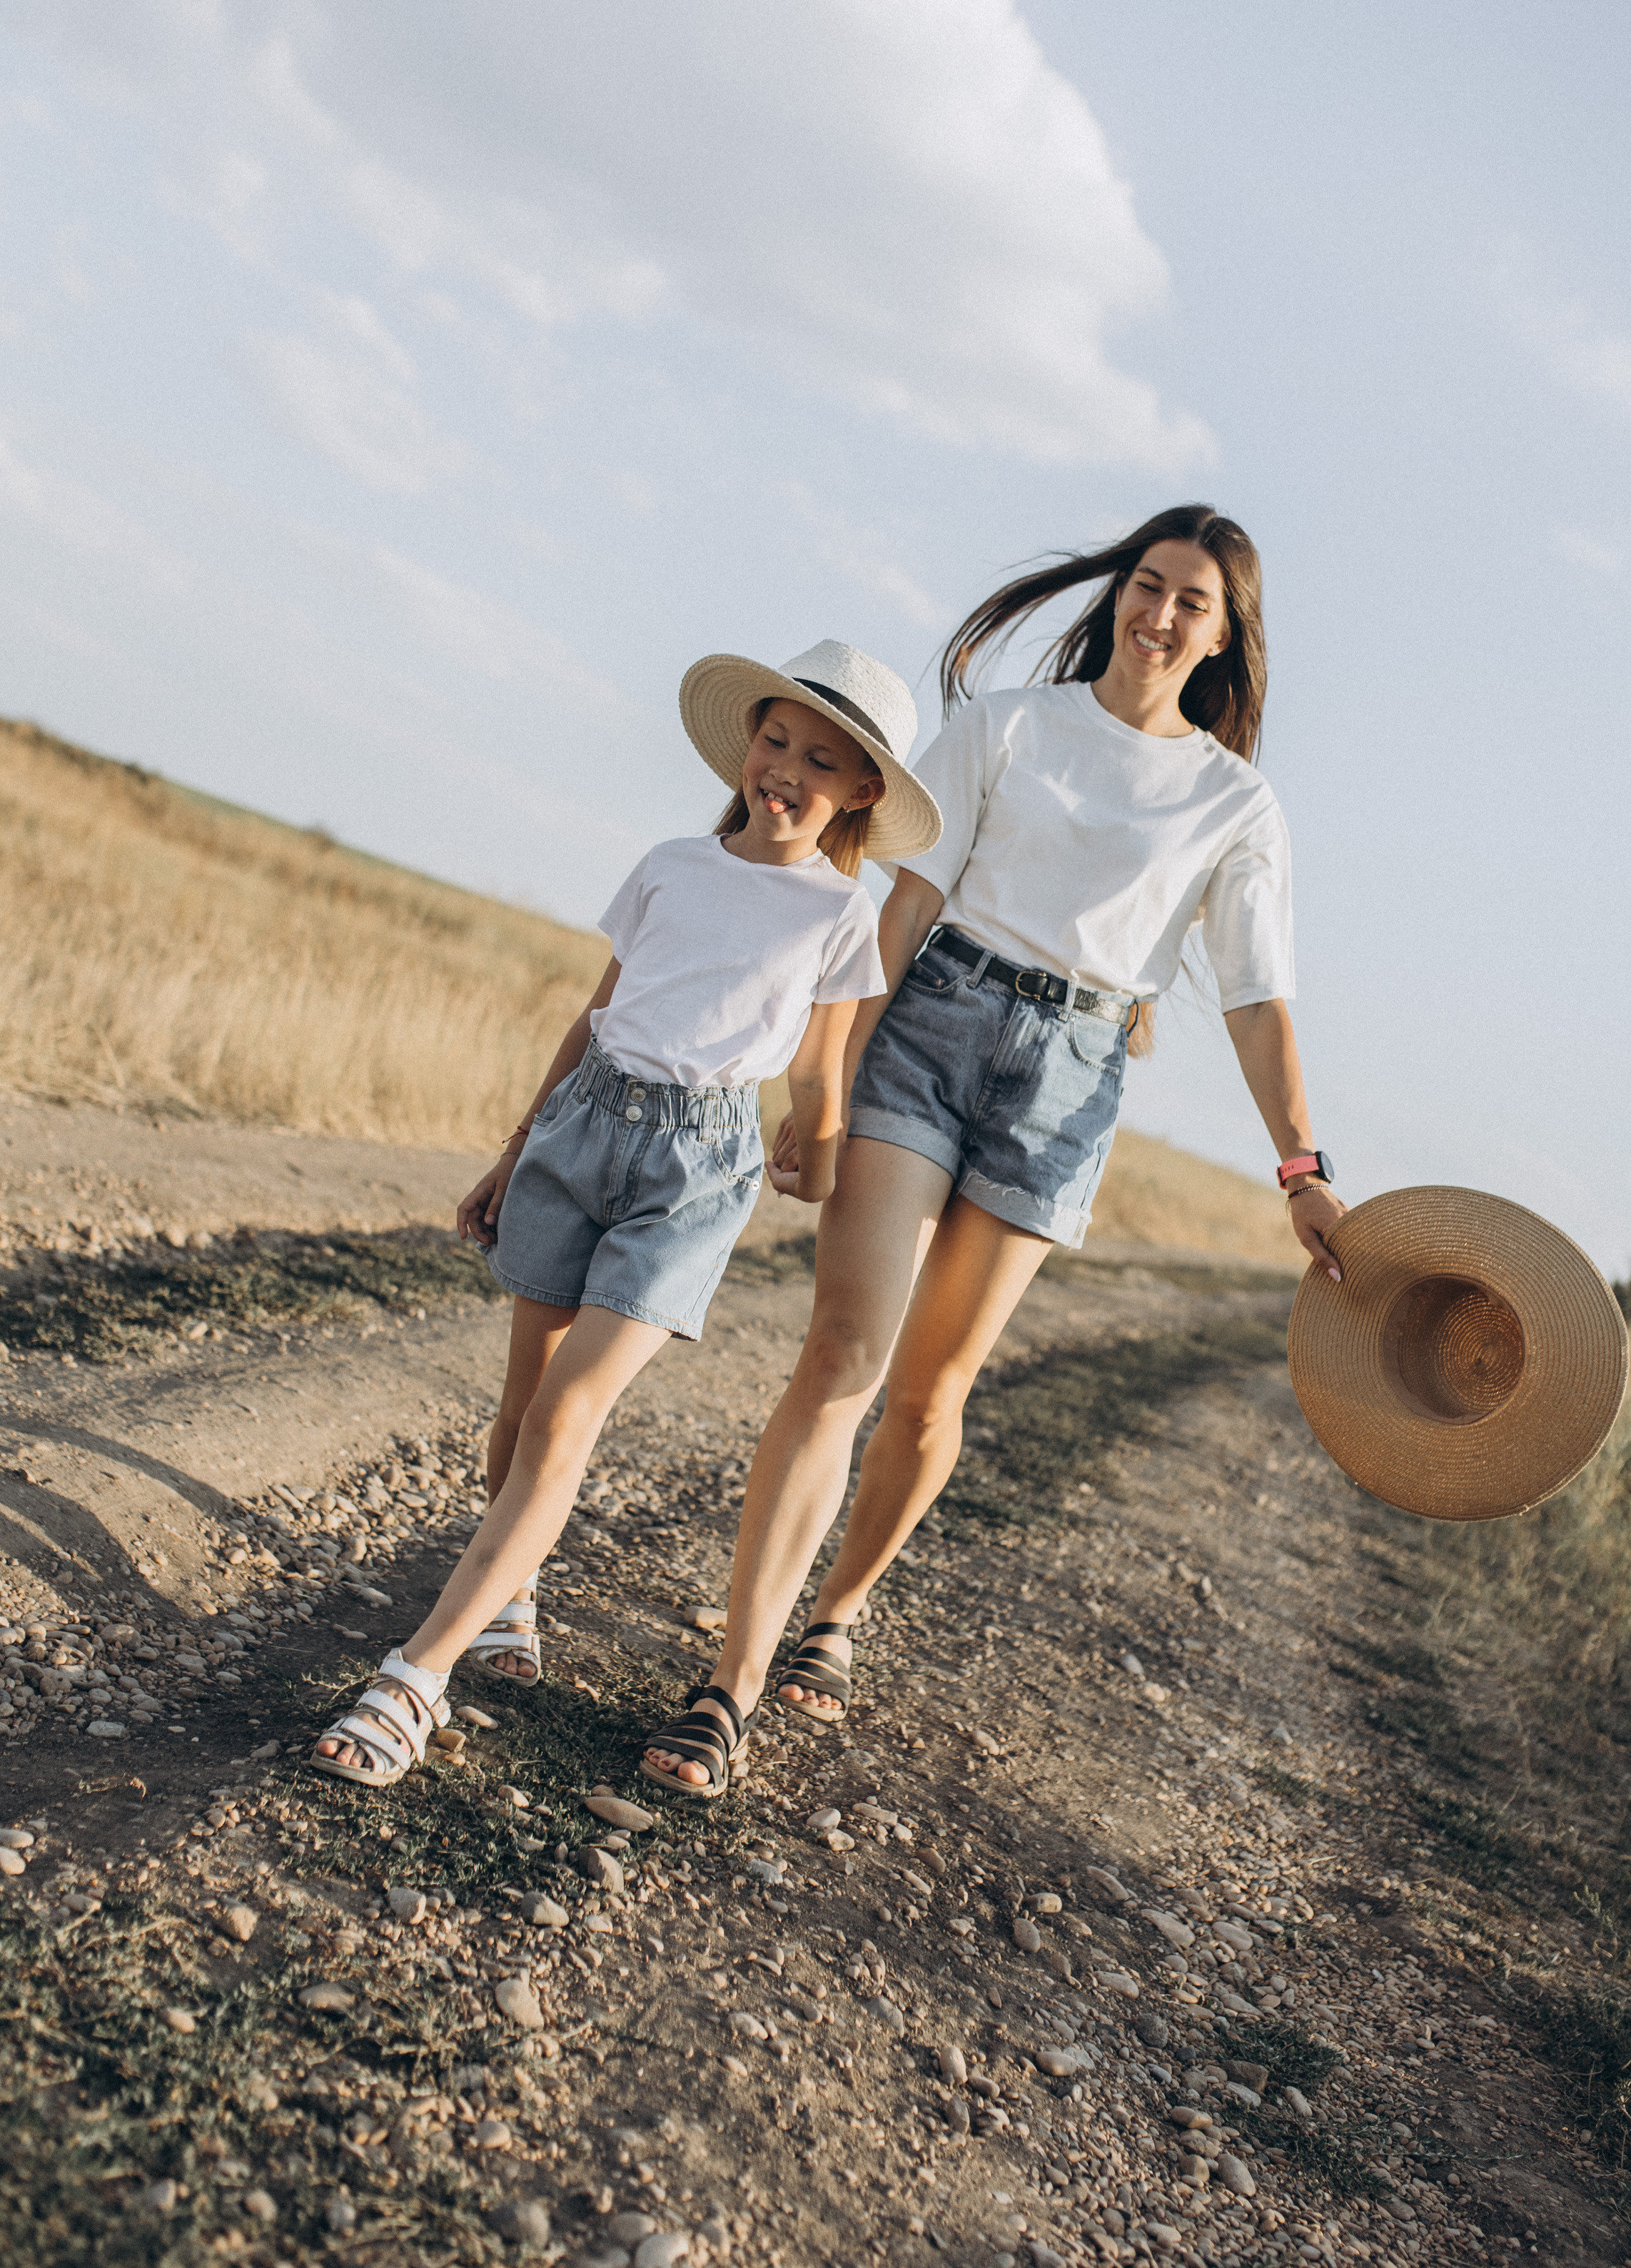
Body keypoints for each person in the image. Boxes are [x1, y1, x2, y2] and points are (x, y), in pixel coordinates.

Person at [642, 505, 1347, 1788]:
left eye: (1193, 601)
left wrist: (1301, 1170)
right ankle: (729, 1687)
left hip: (1068, 1084)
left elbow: (1255, 999)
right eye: (1147, 584)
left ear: (1225, 635)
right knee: (846, 1355)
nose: (1160, 613)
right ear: (1117, 594)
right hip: (932, 1027)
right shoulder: (1009, 726)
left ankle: (837, 1614)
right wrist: (829, 1083)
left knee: (932, 1390)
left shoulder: (1235, 806)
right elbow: (904, 902)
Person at [310, 639, 940, 1793]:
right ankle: (509, 1588)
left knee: (569, 1413)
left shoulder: (839, 916)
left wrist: (824, 1148)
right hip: (580, 1130)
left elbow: (823, 1068)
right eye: (775, 741)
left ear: (861, 791)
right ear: (746, 745)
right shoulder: (667, 866)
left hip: (696, 1169)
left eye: (821, 760)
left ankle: (415, 1677)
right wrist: (515, 1150)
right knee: (523, 1398)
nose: (785, 771)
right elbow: (597, 1018)